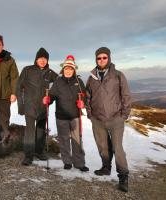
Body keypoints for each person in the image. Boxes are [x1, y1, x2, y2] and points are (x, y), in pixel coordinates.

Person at [86, 47, 131, 192]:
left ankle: (123, 176)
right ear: (96, 59)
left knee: (117, 149)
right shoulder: (91, 77)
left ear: (109, 58)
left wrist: (124, 115)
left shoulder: (118, 75)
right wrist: (90, 114)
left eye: (104, 57)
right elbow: (87, 97)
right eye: (99, 58)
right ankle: (106, 167)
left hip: (115, 119)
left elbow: (126, 95)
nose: (101, 60)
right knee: (103, 147)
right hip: (98, 120)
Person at [44, 55, 89, 172]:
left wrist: (82, 102)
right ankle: (67, 162)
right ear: (63, 70)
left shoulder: (78, 82)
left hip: (75, 116)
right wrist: (48, 100)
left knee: (77, 140)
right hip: (61, 116)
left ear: (74, 70)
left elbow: (85, 96)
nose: (68, 71)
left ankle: (79, 163)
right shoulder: (58, 82)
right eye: (66, 69)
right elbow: (52, 96)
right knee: (64, 140)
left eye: (70, 69)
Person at [16, 47, 58, 165]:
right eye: (40, 58)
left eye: (45, 59)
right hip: (29, 106)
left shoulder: (50, 73)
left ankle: (39, 152)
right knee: (30, 131)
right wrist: (21, 105)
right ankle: (28, 156)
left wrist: (50, 97)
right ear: (36, 59)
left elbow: (60, 83)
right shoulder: (27, 70)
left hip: (43, 108)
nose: (42, 60)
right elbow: (19, 87)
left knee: (40, 131)